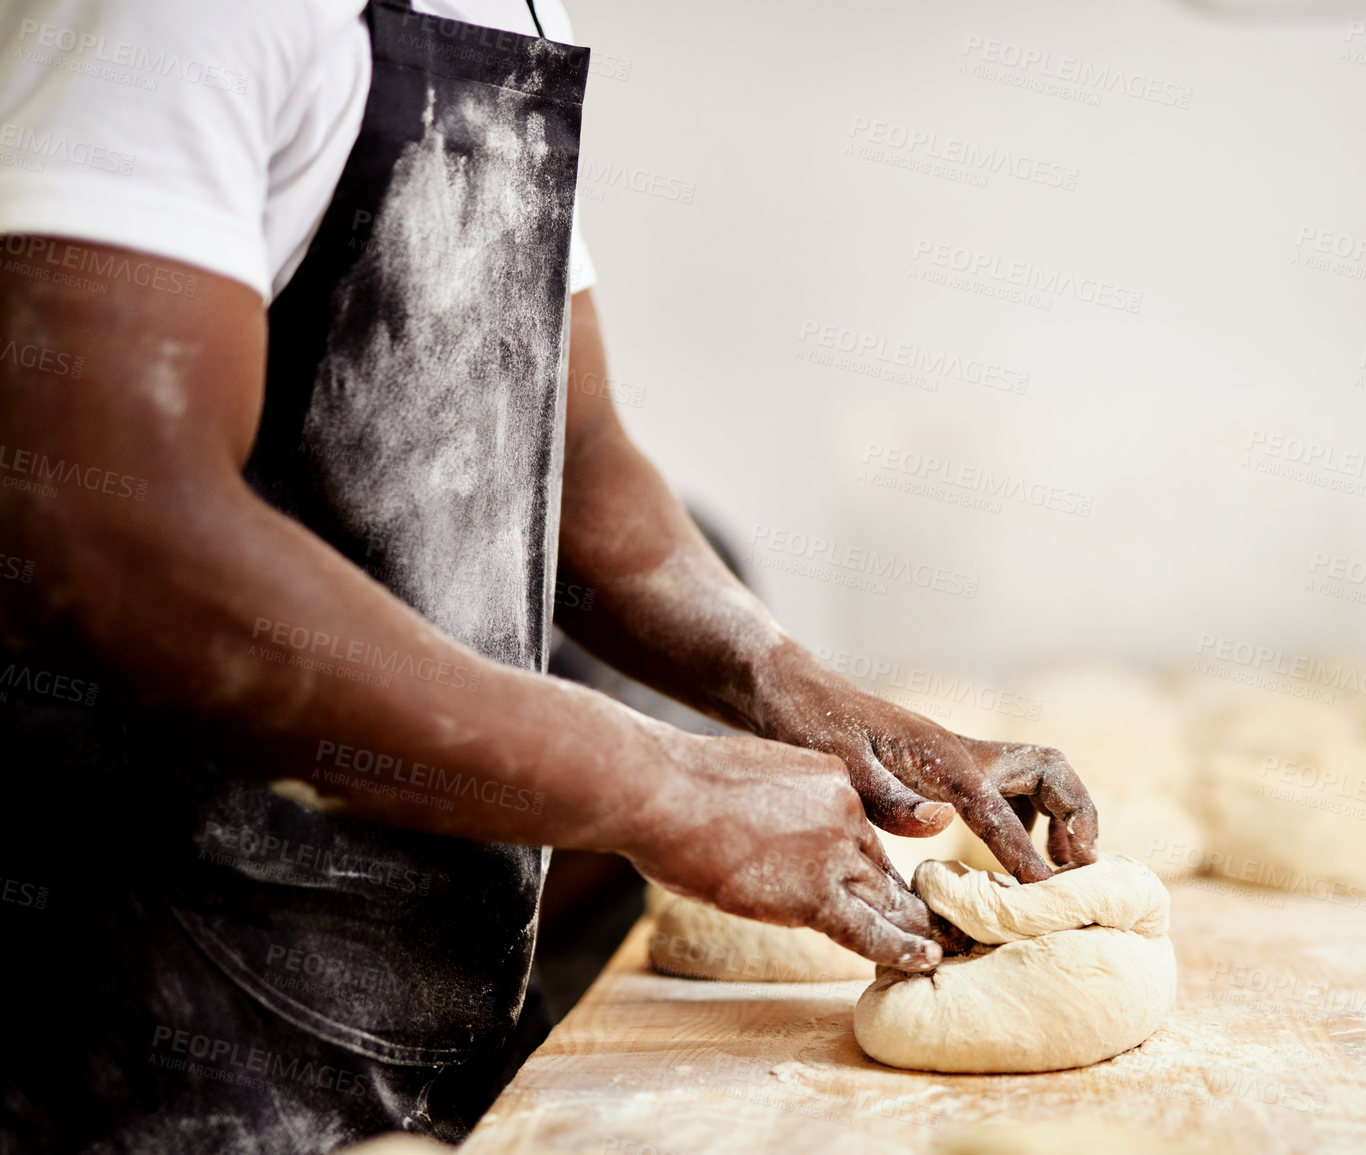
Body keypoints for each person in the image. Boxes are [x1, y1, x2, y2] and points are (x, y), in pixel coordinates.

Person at [0, 0, 1098, 1151]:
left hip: (416, 962)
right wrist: (667, 783)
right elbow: (104, 524)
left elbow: (572, 456)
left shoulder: (504, 5)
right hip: (142, 996)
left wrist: (791, 686)